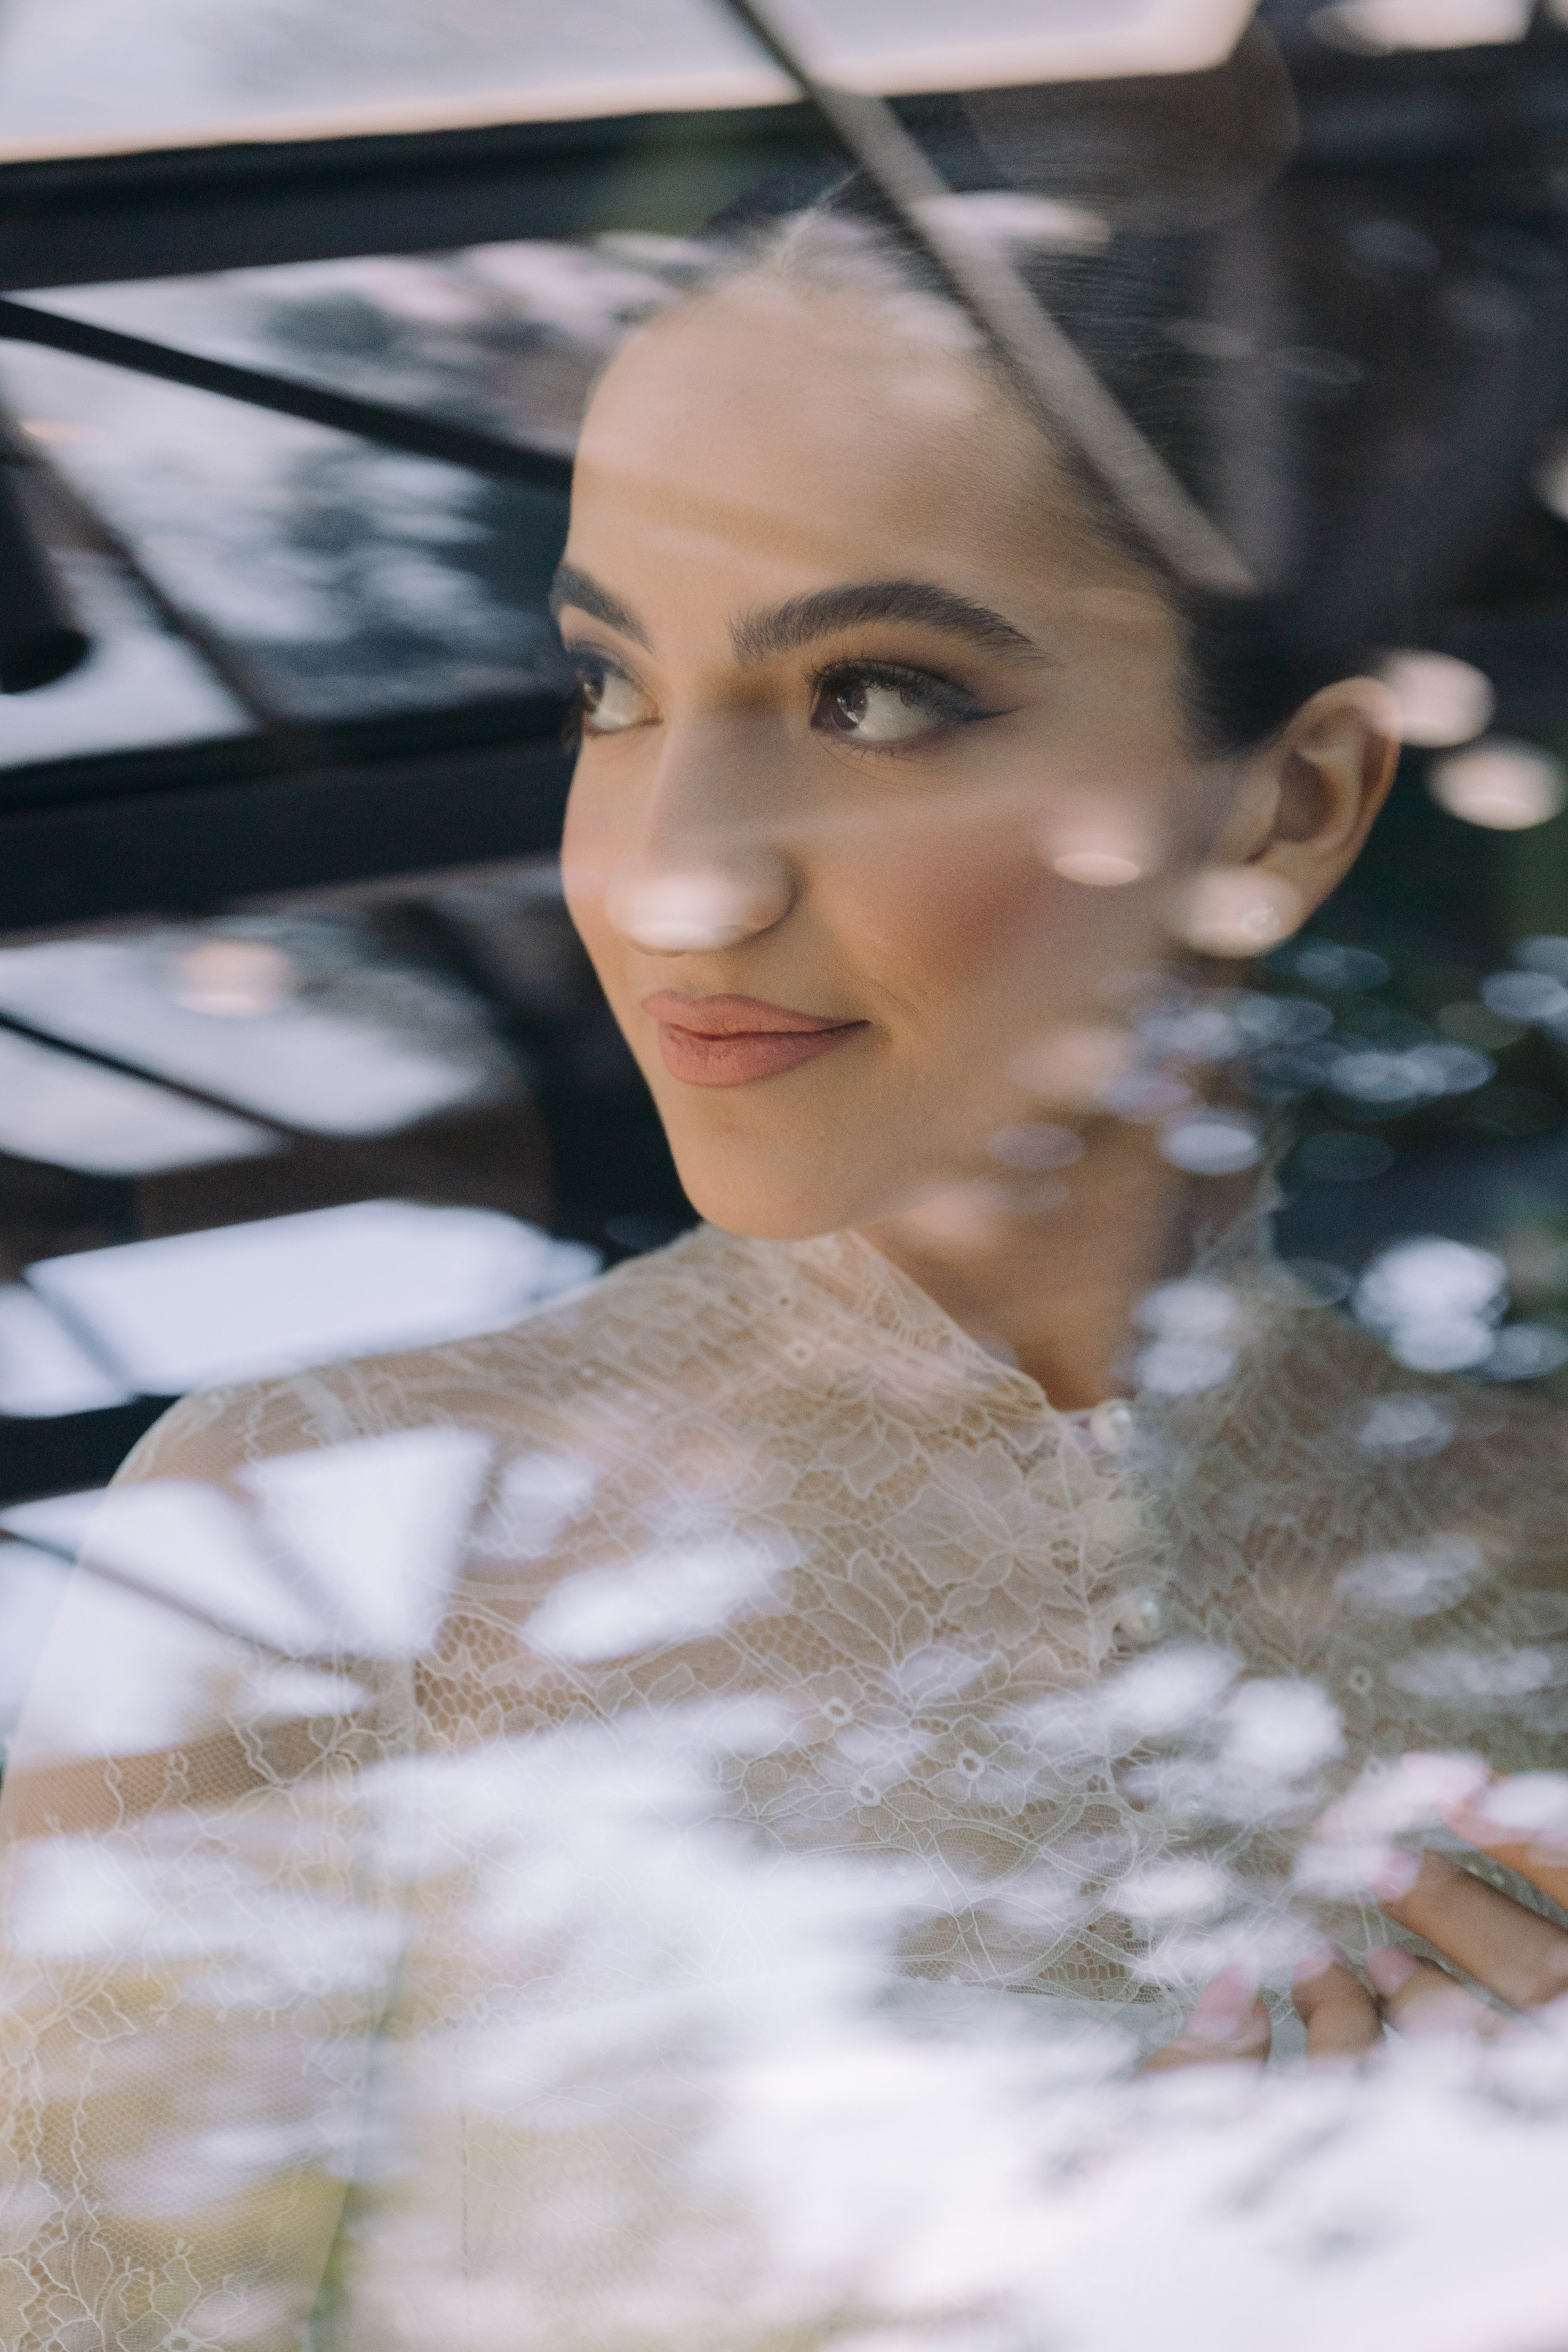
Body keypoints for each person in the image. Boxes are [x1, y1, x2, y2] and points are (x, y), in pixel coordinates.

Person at [2, 65, 1567, 2350]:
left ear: (1289, 800)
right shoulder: (312, 1540)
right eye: (609, 685)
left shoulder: (1532, 1540)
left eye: (877, 695)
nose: (668, 875)